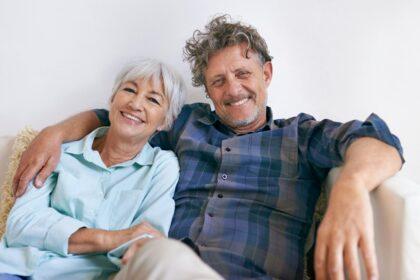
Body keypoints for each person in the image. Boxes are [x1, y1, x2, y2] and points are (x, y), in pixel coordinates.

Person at [12, 15, 403, 280]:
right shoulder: (186, 124)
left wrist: (350, 187)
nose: (232, 90)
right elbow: (119, 118)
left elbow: (380, 142)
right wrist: (55, 133)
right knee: (158, 257)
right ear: (206, 88)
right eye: (218, 80)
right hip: (158, 269)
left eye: (242, 73)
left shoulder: (299, 136)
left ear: (266, 73)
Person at [0, 59, 212, 279]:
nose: (135, 104)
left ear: (166, 122)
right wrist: (109, 238)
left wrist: (59, 230)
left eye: (152, 100)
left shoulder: (161, 168)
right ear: (112, 99)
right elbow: (20, 225)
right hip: (13, 269)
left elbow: (146, 243)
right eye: (129, 90)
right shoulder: (60, 149)